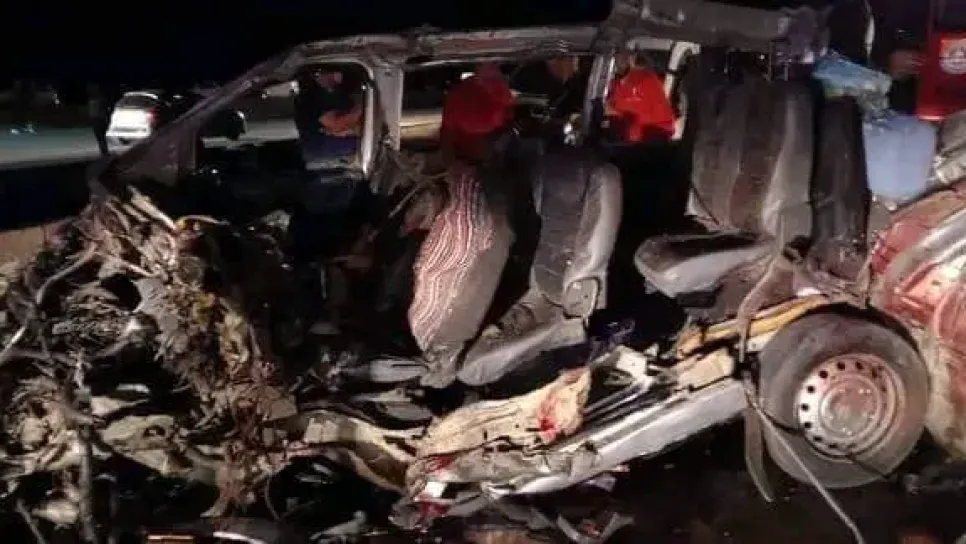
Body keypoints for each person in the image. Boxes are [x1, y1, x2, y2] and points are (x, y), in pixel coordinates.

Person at [438, 62, 514, 163]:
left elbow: (507, 107)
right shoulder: (492, 124)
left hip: (479, 82)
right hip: (474, 83)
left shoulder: (490, 124)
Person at [294, 68, 365, 167]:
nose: (340, 74)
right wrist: (363, 108)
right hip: (324, 151)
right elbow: (338, 124)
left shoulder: (339, 92)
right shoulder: (311, 97)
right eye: (336, 70)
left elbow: (347, 123)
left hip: (340, 146)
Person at [603, 52, 676, 144]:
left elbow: (638, 110)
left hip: (653, 134)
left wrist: (616, 111)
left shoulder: (646, 79)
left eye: (626, 56)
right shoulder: (616, 84)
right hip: (634, 136)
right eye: (617, 56)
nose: (620, 60)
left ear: (632, 59)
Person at [87, 83, 111, 156]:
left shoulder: (92, 100)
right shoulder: (99, 99)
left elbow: (104, 110)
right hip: (99, 119)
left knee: (100, 137)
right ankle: (104, 151)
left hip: (96, 119)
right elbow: (105, 110)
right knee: (101, 137)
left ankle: (104, 151)